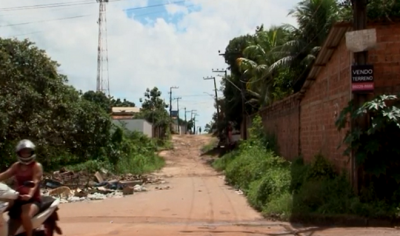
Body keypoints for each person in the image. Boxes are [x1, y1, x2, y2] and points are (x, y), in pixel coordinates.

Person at [0, 139, 43, 236]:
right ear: (19, 153)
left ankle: (29, 234)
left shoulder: (36, 166)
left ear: (32, 152)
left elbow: (35, 181)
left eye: (28, 152)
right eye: (23, 152)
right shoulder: (16, 166)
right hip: (17, 197)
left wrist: (29, 194)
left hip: (32, 200)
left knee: (25, 215)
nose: (26, 154)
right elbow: (4, 175)